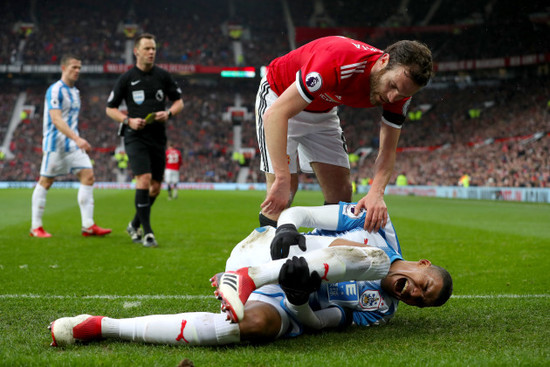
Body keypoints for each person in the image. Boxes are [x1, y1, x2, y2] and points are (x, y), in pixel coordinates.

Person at [49, 202, 452, 346]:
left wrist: (297, 298)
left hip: (287, 298)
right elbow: (300, 214)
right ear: (424, 264)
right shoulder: (379, 226)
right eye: (426, 286)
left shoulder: (379, 311)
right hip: (266, 250)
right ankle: (252, 276)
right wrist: (288, 229)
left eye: (422, 301)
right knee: (375, 258)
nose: (416, 294)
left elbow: (322, 324)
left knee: (248, 327)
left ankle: (102, 326)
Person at [256, 36, 433, 233]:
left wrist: (376, 193)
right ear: (383, 60)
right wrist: (282, 178)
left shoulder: (401, 92)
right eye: (392, 86)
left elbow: (388, 150)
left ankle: (324, 255)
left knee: (341, 195)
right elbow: (275, 114)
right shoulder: (337, 61)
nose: (392, 97)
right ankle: (266, 258)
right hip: (279, 98)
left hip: (323, 111)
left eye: (401, 94)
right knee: (284, 193)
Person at [106, 33, 184, 248]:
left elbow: (179, 102)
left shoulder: (163, 76)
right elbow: (110, 108)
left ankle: (133, 224)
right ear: (136, 51)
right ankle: (147, 233)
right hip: (135, 136)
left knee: (156, 188)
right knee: (144, 179)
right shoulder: (126, 78)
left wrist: (168, 113)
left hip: (158, 137)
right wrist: (127, 120)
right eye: (147, 48)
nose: (151, 52)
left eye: (153, 49)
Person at [30, 54, 111, 238]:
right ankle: (36, 227)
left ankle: (88, 225)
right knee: (46, 182)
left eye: (79, 68)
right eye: (74, 67)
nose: (77, 71)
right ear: (63, 68)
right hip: (56, 145)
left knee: (88, 175)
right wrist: (77, 138)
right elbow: (56, 119)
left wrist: (75, 139)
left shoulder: (75, 92)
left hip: (73, 145)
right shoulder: (55, 90)